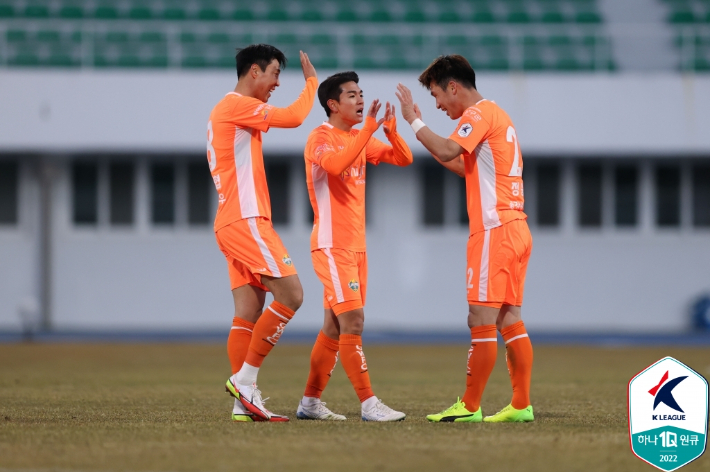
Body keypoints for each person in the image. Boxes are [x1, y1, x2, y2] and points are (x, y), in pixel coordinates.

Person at [395, 55, 534, 423]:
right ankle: (521, 406)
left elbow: (446, 150)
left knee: (480, 318)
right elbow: (461, 165)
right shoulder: (498, 115)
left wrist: (413, 120)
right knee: (509, 318)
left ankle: (470, 407)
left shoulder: (477, 115)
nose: (438, 105)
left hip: (494, 230)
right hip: (516, 227)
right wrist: (422, 137)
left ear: (453, 86)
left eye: (438, 96)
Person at [206, 44, 317, 422]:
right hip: (246, 218)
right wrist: (313, 83)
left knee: (248, 312)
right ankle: (245, 381)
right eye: (274, 74)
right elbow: (293, 117)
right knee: (292, 294)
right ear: (254, 71)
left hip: (229, 221)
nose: (276, 83)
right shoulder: (236, 105)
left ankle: (243, 404)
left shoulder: (226, 109)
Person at [295, 71, 413, 422]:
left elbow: (403, 158)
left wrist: (390, 129)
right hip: (332, 246)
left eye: (361, 94)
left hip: (356, 248)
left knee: (333, 327)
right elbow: (334, 165)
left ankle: (310, 403)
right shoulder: (320, 137)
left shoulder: (358, 137)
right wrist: (367, 131)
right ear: (333, 104)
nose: (360, 100)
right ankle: (368, 404)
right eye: (351, 95)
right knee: (354, 322)